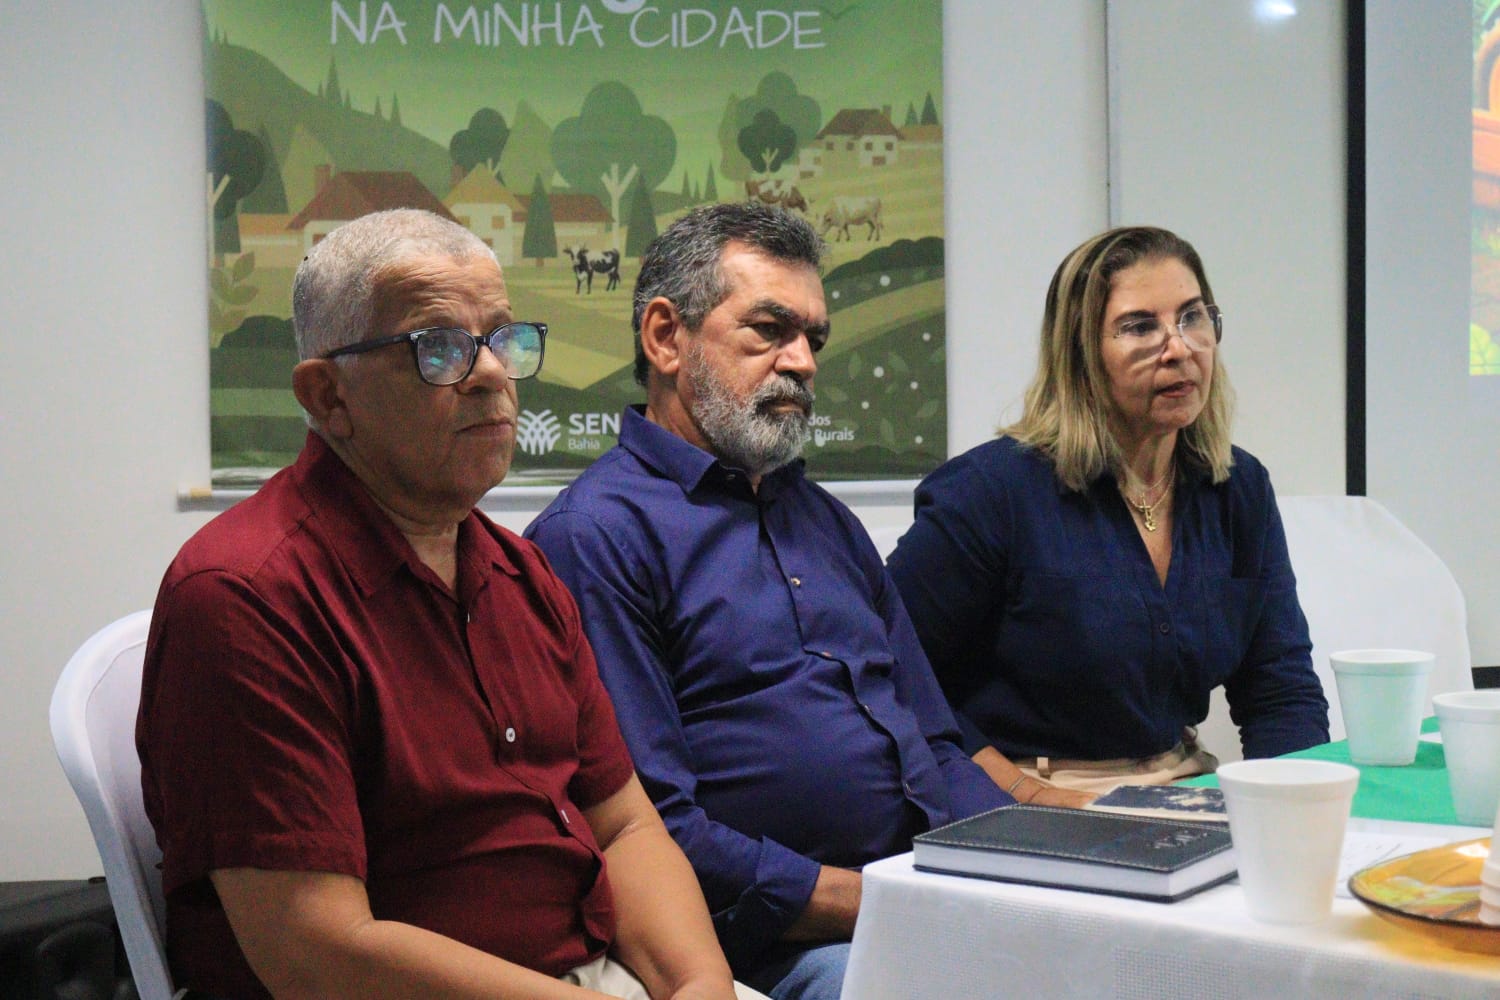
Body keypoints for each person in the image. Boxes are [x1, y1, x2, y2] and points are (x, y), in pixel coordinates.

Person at [136, 208, 761, 1000]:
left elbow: (626, 824)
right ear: (329, 397)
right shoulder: (245, 598)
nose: (492, 373)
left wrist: (702, 986)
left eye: (502, 338)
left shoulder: (521, 571)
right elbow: (317, 950)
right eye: (439, 348)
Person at [526, 202, 1067, 1000]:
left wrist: (1040, 855)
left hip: (917, 892)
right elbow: (655, 829)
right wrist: (882, 901)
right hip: (763, 940)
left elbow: (938, 745)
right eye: (770, 329)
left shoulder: (826, 522)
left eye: (813, 337)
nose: (803, 361)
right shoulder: (595, 537)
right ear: (665, 338)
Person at [886, 225, 1330, 795]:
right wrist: (1024, 795)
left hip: (1181, 788)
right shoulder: (990, 493)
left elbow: (1280, 687)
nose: (1179, 348)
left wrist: (1294, 811)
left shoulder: (1239, 489)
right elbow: (892, 671)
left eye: (1193, 317)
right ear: (1081, 353)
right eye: (1140, 327)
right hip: (1025, 796)